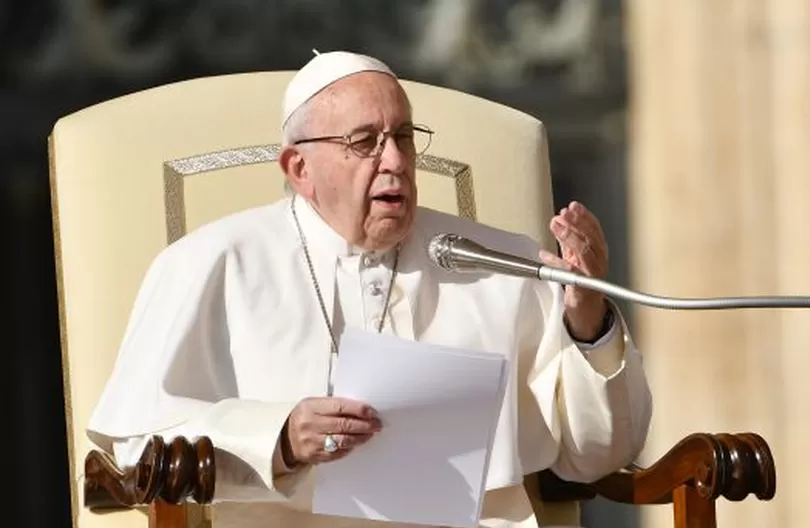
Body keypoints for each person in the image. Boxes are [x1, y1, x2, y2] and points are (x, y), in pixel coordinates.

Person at [87, 50, 653, 528]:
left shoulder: (501, 264)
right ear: (299, 169)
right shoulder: (213, 263)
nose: (396, 161)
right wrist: (279, 437)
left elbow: (596, 455)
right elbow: (140, 448)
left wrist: (588, 319)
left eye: (403, 137)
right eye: (365, 141)